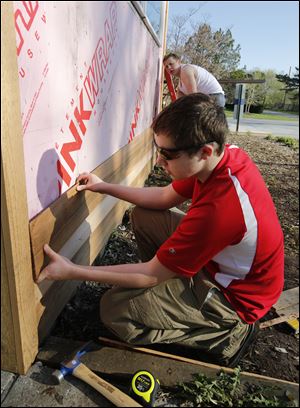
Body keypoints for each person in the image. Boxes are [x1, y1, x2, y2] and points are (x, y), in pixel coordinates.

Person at [37, 93, 284, 367]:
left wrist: (72, 271)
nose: (158, 161)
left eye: (167, 154)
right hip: (220, 264)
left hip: (235, 298)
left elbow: (151, 275)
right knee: (145, 216)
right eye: (158, 149)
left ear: (204, 151)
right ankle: (172, 289)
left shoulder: (220, 211)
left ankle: (224, 335)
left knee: (114, 310)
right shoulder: (220, 159)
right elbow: (163, 198)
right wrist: (103, 185)